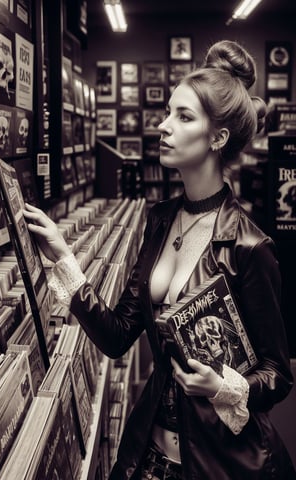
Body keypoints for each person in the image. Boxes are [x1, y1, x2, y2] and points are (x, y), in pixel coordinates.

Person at [23, 40, 296, 480]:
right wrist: (63, 258)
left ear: (218, 137)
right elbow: (117, 337)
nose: (163, 126)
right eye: (168, 112)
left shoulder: (249, 245)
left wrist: (222, 386)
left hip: (218, 464)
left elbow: (278, 375)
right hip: (148, 455)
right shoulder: (160, 219)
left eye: (183, 117)